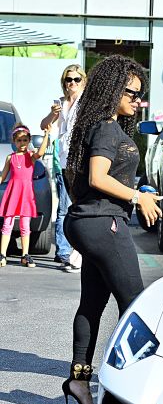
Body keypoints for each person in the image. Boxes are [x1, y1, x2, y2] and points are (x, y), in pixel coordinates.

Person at [61, 54, 162, 404]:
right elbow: (96, 178)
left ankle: (78, 380)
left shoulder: (100, 126)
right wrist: (138, 196)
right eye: (132, 93)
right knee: (136, 305)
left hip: (90, 221)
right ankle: (132, 392)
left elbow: (76, 178)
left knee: (93, 302)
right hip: (104, 223)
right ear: (112, 91)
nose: (137, 101)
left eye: (140, 95)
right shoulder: (105, 128)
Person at [40, 64, 87, 272]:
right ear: (64, 82)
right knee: (63, 208)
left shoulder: (86, 102)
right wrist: (52, 115)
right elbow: (44, 126)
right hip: (63, 161)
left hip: (80, 162)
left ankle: (77, 252)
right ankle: (64, 252)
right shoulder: (59, 103)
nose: (72, 84)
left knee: (77, 207)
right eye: (69, 80)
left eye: (77, 79)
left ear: (83, 81)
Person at [0, 123, 51, 268]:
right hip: (12, 193)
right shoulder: (10, 158)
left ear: (28, 141)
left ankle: (25, 255)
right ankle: (2, 255)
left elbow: (40, 152)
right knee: (7, 224)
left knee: (25, 225)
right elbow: (3, 177)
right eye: (19, 140)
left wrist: (47, 134)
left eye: (24, 140)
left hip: (26, 195)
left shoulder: (31, 156)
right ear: (14, 142)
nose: (22, 143)